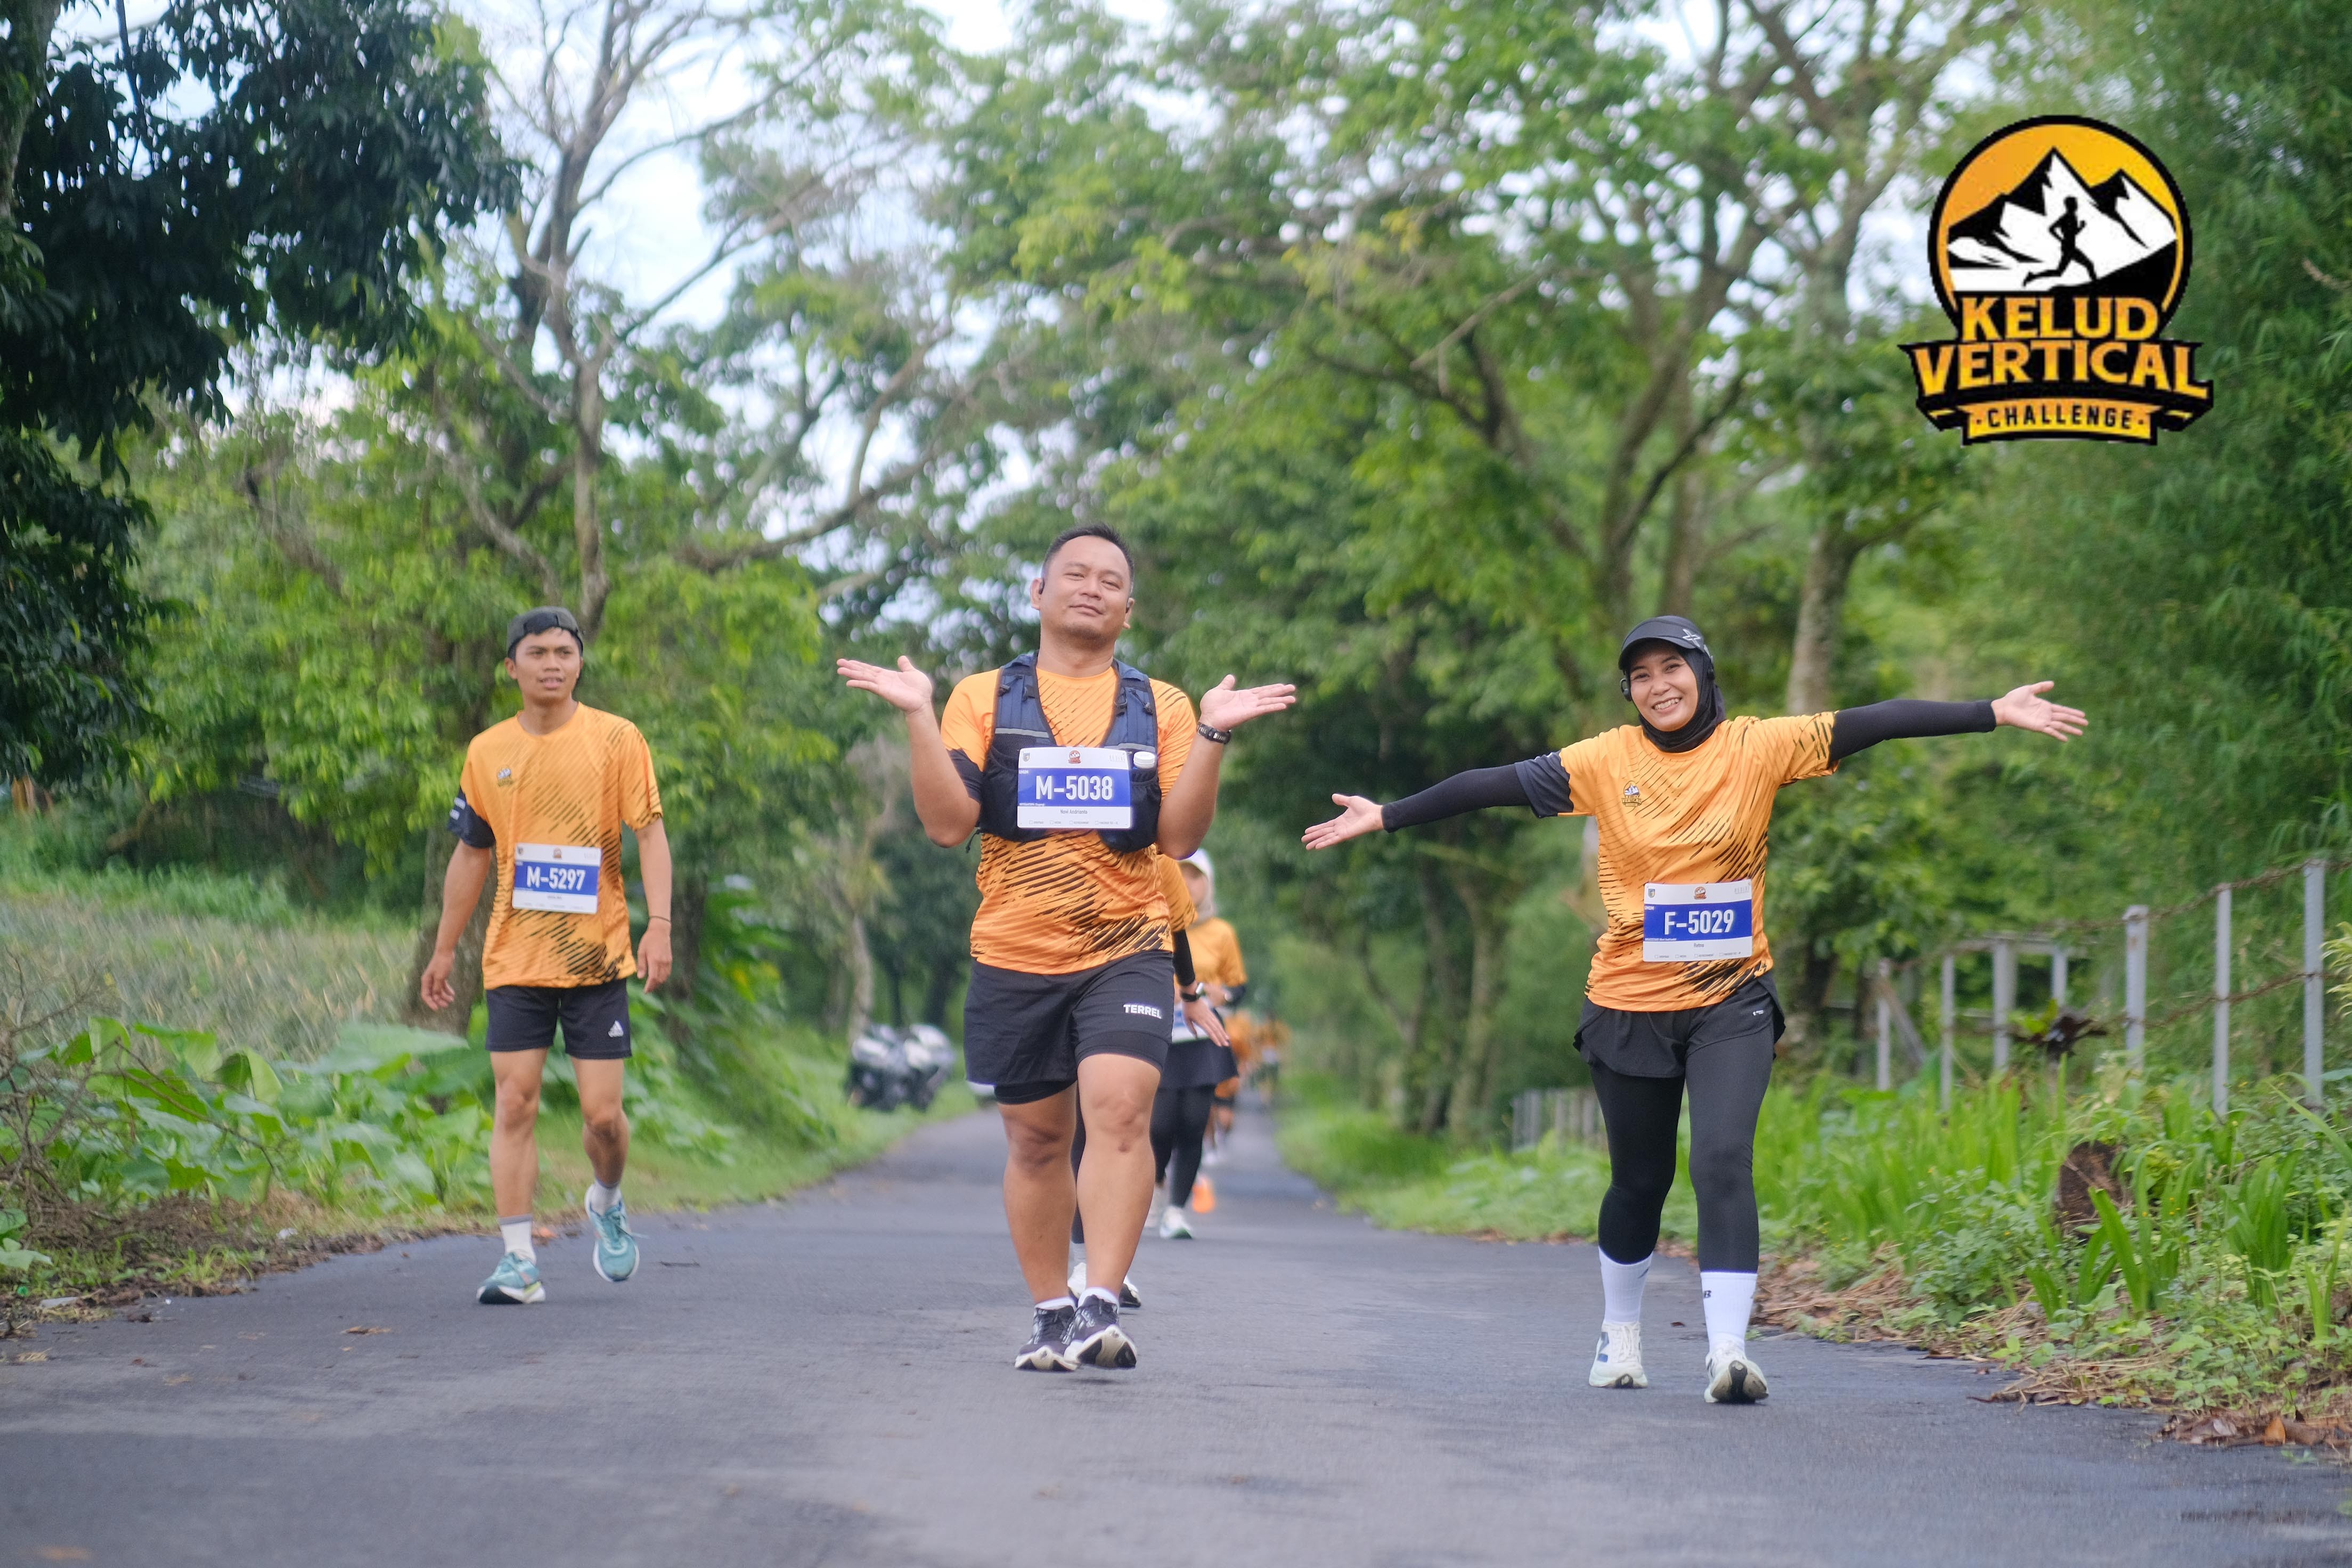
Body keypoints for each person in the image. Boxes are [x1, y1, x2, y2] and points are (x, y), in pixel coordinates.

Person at [1302, 615, 2084, 1403]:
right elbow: (1490, 784)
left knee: (1720, 1158)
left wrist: (1991, 711)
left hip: (1731, 999)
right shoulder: (1605, 759)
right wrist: (1388, 814)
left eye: (1671, 668)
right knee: (1639, 1182)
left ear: (1704, 674)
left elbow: (1876, 721)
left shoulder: (1758, 746)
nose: (1658, 686)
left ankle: (1728, 1353)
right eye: (1640, 676)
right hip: (1627, 1000)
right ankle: (1620, 1333)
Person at [839, 523, 1293, 1372]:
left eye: (1111, 580)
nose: (1092, 588)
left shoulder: (1163, 706)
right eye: (1075, 574)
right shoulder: (982, 697)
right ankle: (1051, 1312)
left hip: (1127, 945)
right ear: (1038, 594)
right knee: (1038, 1141)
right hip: (1015, 948)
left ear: (1130, 608)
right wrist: (917, 718)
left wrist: (1214, 737)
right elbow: (947, 824)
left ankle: (1099, 1302)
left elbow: (1178, 838)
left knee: (1120, 1113)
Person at [421, 607, 673, 1306]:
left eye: (565, 651)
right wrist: (444, 949)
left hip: (597, 961)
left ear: (580, 663)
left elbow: (650, 833)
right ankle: (518, 1261)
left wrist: (661, 925)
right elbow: (471, 853)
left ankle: (607, 1199)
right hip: (516, 958)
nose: (553, 664)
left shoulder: (616, 739)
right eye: (538, 652)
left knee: (602, 1118)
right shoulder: (487, 750)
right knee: (515, 1101)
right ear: (512, 666)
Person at [1164, 850, 1246, 1219]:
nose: (1187, 884)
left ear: (1208, 884)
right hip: (1161, 1035)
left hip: (1203, 1038)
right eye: (1180, 875)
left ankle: (1176, 1211)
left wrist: (1222, 995)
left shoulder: (1222, 933)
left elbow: (1238, 988)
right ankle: (1151, 1187)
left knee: (1194, 1124)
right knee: (1158, 1125)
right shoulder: (1154, 922)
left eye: (1195, 877)